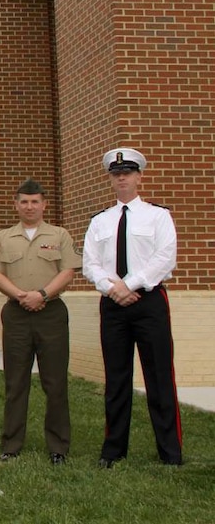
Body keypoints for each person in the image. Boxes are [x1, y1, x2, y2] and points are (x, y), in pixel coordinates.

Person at [82, 147, 182, 468]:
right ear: (110, 179)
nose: (122, 177)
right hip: (113, 305)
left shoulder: (158, 216)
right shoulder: (100, 221)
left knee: (159, 377)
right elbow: (90, 264)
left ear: (139, 176)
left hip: (150, 302)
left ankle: (170, 452)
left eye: (127, 172)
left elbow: (165, 257)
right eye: (116, 173)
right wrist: (113, 288)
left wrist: (131, 283)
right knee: (116, 378)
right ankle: (113, 451)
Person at [0, 178, 80, 465]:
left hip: (51, 312)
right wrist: (21, 296)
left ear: (44, 204)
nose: (29, 206)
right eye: (23, 201)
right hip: (16, 313)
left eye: (35, 201)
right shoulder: (3, 237)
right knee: (15, 382)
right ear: (16, 205)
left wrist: (42, 294)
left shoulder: (60, 235)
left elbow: (68, 271)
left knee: (55, 382)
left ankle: (58, 447)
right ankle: (11, 444)